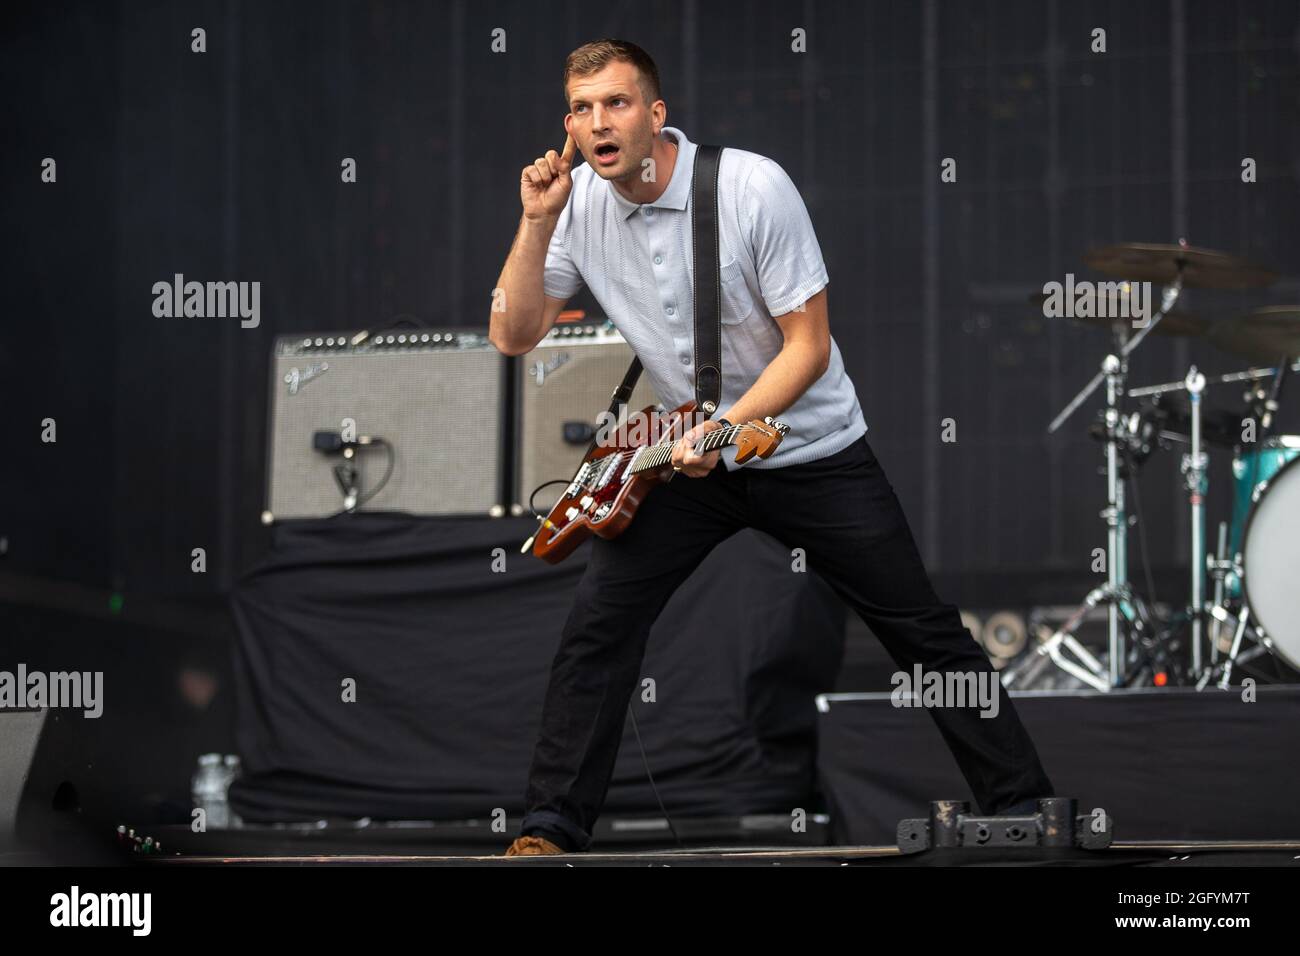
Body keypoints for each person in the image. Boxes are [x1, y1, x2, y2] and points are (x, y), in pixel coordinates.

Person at [489, 38, 1053, 856]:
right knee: (597, 627)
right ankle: (549, 828)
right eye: (581, 107)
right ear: (569, 125)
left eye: (616, 103)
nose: (598, 122)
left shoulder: (752, 188)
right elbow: (514, 332)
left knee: (924, 634)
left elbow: (807, 346)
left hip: (809, 445)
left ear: (655, 113)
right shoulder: (571, 204)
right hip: (686, 460)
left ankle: (1025, 810)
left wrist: (721, 429)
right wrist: (535, 223)